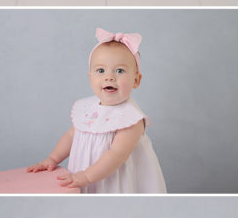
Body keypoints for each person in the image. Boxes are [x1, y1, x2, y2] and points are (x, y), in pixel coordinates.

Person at [27, 28, 166, 192]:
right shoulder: (87, 108)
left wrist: (86, 176)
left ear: (136, 80)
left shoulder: (131, 119)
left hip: (113, 179)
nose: (109, 77)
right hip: (82, 175)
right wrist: (52, 158)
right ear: (91, 77)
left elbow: (116, 155)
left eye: (120, 71)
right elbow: (72, 135)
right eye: (101, 71)